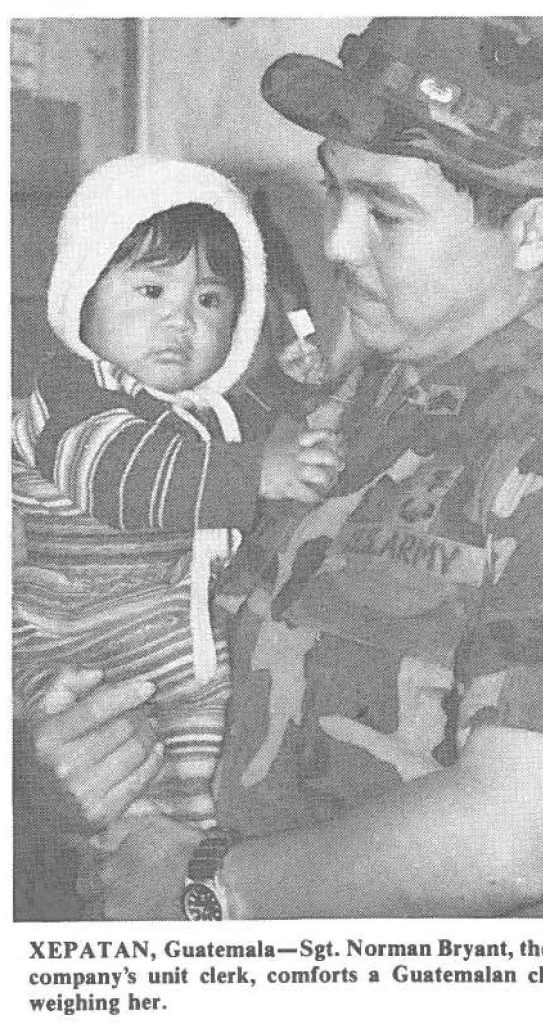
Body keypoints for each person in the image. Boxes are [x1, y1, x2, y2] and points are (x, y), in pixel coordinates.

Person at [23, 16, 543, 920]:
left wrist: (209, 891)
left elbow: (511, 837)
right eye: (335, 196)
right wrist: (55, 764)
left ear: (536, 229)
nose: (340, 244)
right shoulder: (317, 411)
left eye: (385, 212)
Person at [12, 154, 343, 916]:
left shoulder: (208, 414)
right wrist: (257, 469)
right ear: (82, 294)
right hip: (84, 653)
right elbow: (131, 479)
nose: (182, 320)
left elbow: (244, 436)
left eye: (213, 300)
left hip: (180, 662)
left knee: (189, 819)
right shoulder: (68, 394)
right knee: (114, 818)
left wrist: (291, 388)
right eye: (151, 290)